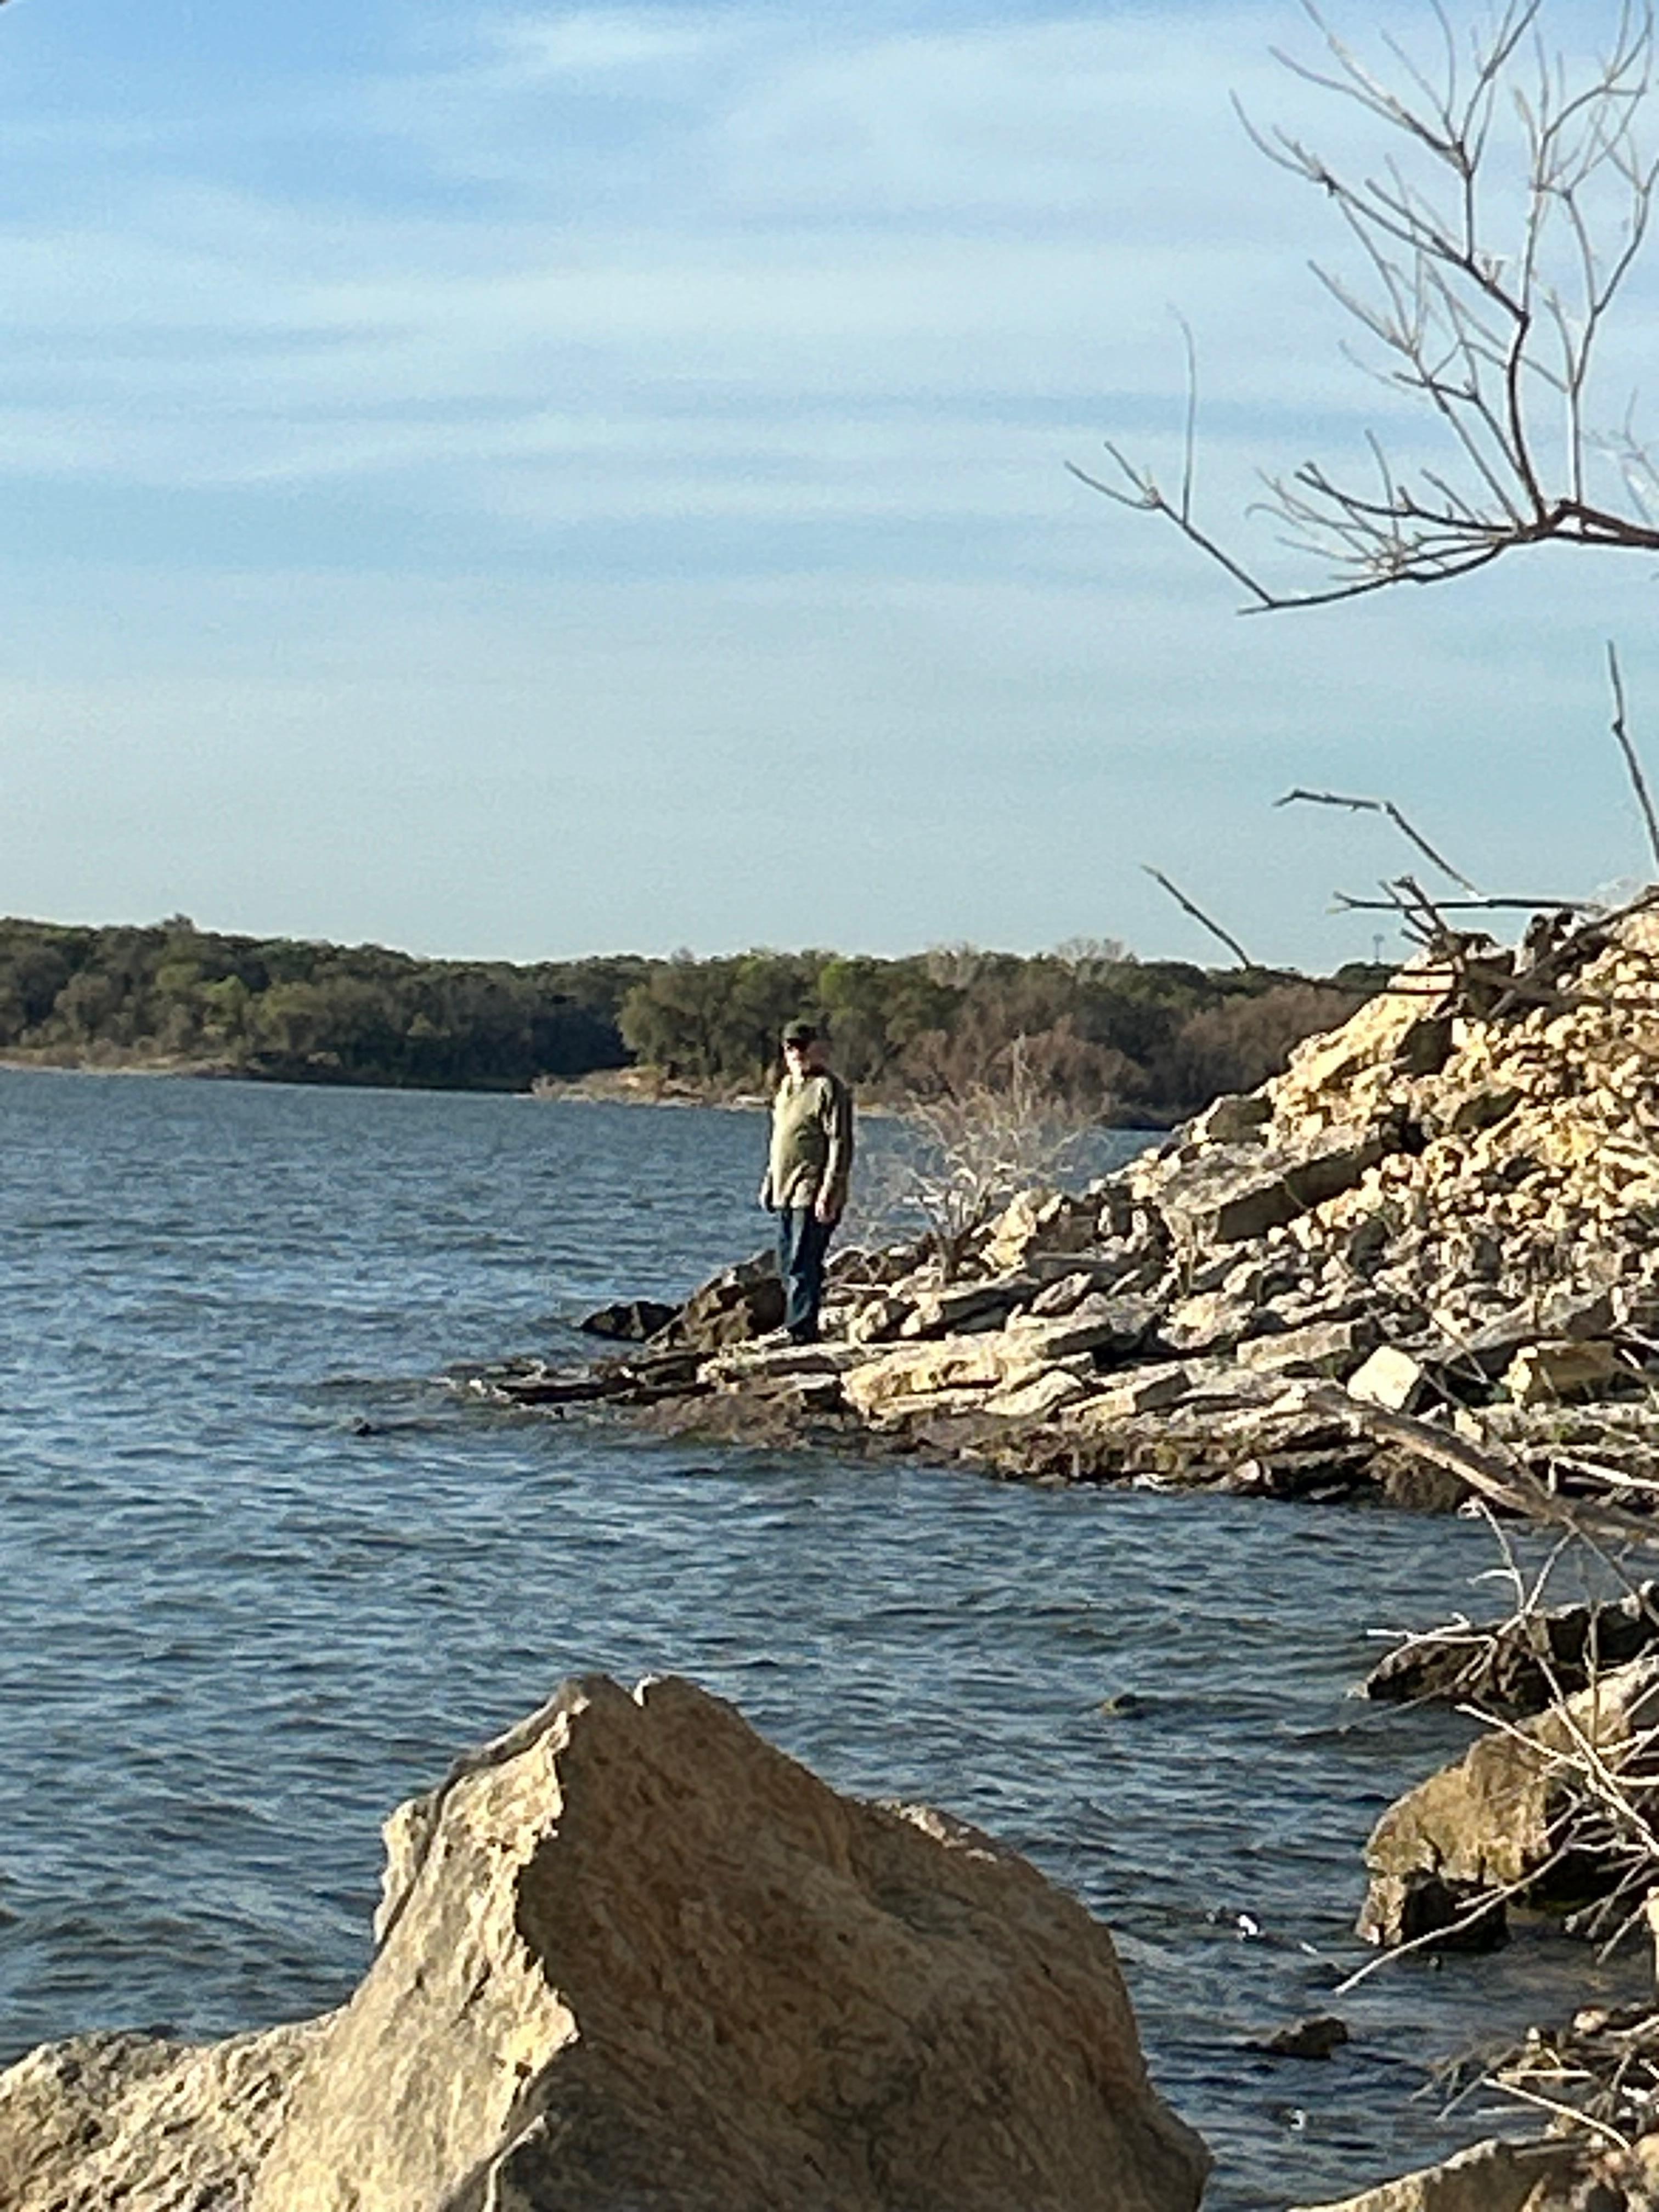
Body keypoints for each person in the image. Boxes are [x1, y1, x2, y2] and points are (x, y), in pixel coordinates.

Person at [758, 1019, 855, 1344]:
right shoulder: (786, 1088)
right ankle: (795, 1322)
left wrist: (830, 1190)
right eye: (790, 1047)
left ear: (816, 1048)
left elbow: (840, 1141)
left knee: (803, 1261)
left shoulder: (829, 1088)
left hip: (812, 1190)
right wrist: (769, 1181)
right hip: (785, 1189)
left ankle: (802, 1331)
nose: (797, 1052)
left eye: (802, 1045)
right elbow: (779, 1140)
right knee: (786, 1262)